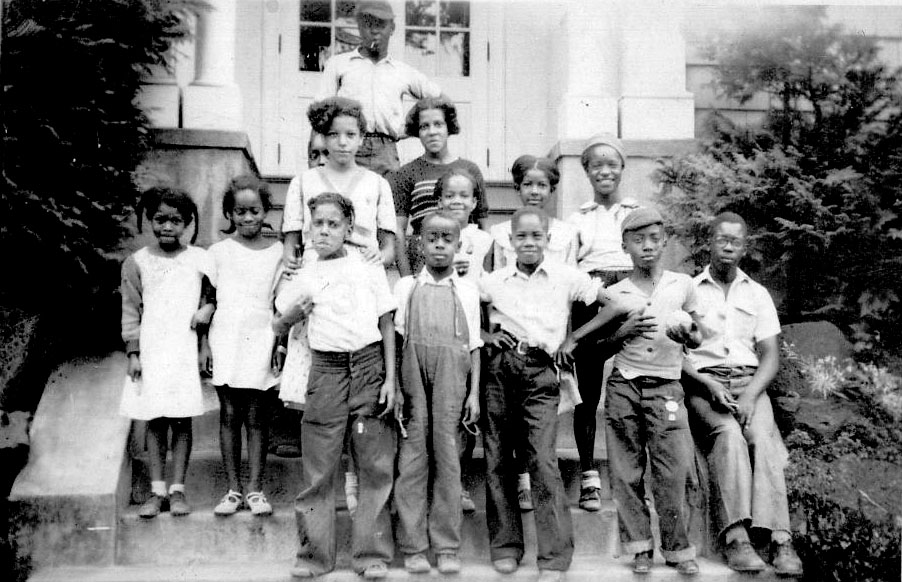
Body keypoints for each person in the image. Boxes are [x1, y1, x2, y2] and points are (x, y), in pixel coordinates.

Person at [479, 207, 625, 582]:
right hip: (500, 370)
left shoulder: (566, 276)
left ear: (548, 239)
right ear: (509, 242)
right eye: (521, 237)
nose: (529, 242)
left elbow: (618, 306)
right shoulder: (492, 281)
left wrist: (574, 337)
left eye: (536, 236)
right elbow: (468, 311)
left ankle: (554, 558)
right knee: (497, 459)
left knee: (543, 461)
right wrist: (485, 336)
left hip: (542, 373)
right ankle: (506, 547)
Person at [275, 193, 398, 580]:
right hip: (325, 371)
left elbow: (386, 323)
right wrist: (289, 318)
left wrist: (391, 379)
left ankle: (370, 555)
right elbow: (280, 321)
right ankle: (314, 556)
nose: (324, 230)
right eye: (318, 224)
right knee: (319, 467)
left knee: (374, 465)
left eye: (333, 224)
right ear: (309, 229)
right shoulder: (304, 272)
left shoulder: (368, 267)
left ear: (349, 229)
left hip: (367, 366)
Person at [583, 206, 703, 576]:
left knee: (671, 470)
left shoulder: (682, 285)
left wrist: (688, 336)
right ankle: (639, 547)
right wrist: (623, 334)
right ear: (625, 246)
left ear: (665, 242)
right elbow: (596, 349)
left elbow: (699, 336)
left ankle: (678, 548)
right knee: (626, 470)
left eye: (654, 239)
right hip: (624, 386)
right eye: (638, 240)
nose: (646, 247)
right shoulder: (614, 293)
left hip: (666, 387)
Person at [682, 212, 803, 577]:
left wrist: (751, 395)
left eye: (736, 240)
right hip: (705, 385)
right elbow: (677, 355)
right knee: (730, 436)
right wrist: (706, 385)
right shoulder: (688, 289)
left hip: (749, 383)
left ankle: (781, 541)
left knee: (763, 440)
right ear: (710, 242)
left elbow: (770, 355)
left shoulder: (757, 293)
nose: (729, 246)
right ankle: (737, 538)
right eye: (722, 239)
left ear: (744, 247)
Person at [393, 211, 482, 575]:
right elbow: (397, 340)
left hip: (453, 377)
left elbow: (475, 345)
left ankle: (446, 546)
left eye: (447, 239)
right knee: (412, 459)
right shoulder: (405, 287)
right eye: (432, 238)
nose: (440, 245)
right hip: (413, 374)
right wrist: (397, 386)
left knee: (448, 457)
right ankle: (413, 546)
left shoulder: (468, 290)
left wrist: (474, 393)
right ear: (420, 244)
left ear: (459, 245)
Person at [120, 187, 214, 519]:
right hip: (152, 351)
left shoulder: (200, 260)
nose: (167, 227)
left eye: (176, 220)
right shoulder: (137, 263)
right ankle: (156, 490)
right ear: (149, 221)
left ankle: (177, 490)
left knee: (181, 419)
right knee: (155, 421)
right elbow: (131, 311)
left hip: (184, 350)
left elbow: (214, 295)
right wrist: (133, 353)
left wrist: (208, 312)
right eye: (160, 219)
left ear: (188, 223)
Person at [566, 133, 641, 512]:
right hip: (591, 295)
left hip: (629, 292)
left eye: (612, 164)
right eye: (597, 165)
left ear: (622, 168)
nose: (605, 171)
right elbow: (570, 268)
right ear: (587, 171)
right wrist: (592, 290)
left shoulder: (635, 211)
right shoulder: (577, 218)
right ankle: (589, 476)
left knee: (636, 382)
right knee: (588, 390)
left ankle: (636, 476)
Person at [206, 175, 283, 517]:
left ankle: (255, 489)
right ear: (230, 213)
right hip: (225, 335)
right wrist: (203, 347)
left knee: (256, 415)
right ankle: (232, 489)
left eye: (254, 211)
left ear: (266, 211)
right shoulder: (218, 252)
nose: (248, 218)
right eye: (240, 212)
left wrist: (279, 344)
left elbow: (281, 302)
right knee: (229, 414)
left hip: (261, 334)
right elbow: (207, 299)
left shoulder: (279, 251)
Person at [316, 0, 441, 176]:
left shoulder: (401, 71)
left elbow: (439, 99)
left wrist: (413, 125)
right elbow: (320, 113)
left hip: (386, 150)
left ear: (393, 28)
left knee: (387, 199)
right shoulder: (339, 64)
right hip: (347, 147)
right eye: (368, 24)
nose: (375, 31)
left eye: (381, 25)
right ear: (359, 27)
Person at [282, 96, 396, 271]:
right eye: (334, 134)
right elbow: (291, 244)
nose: (342, 142)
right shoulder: (302, 182)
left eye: (350, 135)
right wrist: (291, 261)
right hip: (316, 266)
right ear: (324, 138)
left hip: (362, 267)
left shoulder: (378, 184)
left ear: (361, 138)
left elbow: (388, 248)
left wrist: (381, 256)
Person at [435, 167, 492, 514]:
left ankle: (457, 483)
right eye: (450, 195)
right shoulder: (430, 234)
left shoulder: (485, 241)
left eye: (464, 195)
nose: (457, 201)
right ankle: (439, 482)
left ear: (474, 202)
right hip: (438, 327)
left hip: (474, 329)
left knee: (468, 411)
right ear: (440, 200)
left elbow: (493, 285)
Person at [269, 131, 328, 459]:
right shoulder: (301, 185)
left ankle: (320, 431)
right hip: (306, 265)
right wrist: (291, 262)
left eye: (325, 154)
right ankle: (294, 427)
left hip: (334, 270)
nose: (320, 160)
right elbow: (291, 235)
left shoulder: (342, 185)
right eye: (314, 154)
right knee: (297, 347)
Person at [391, 97, 488, 276]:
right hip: (425, 256)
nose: (432, 132)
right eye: (424, 126)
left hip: (466, 257)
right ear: (417, 132)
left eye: (438, 124)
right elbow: (399, 231)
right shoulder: (405, 174)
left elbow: (483, 223)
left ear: (448, 127)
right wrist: (406, 277)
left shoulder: (469, 169)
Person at [491, 155, 578, 269]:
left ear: (551, 190)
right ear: (518, 188)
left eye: (542, 185)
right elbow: (498, 275)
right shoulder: (501, 233)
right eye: (527, 184)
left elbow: (572, 277)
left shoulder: (566, 233)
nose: (534, 191)